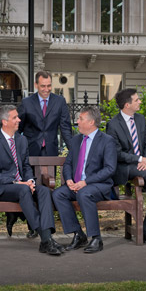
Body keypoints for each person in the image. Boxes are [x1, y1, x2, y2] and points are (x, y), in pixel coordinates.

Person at [0, 105, 64, 256]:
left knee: (45, 191)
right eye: (14, 117)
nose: (19, 120)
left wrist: (30, 181)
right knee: (24, 189)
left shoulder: (21, 140)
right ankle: (46, 239)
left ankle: (46, 239)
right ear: (4, 121)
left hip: (22, 186)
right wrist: (18, 182)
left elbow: (26, 166)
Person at [6, 70, 73, 237]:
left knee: (46, 187)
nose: (46, 89)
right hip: (30, 151)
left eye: (49, 85)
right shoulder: (27, 102)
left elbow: (65, 127)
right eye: (43, 86)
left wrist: (74, 149)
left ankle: (43, 224)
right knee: (31, 186)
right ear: (36, 85)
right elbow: (17, 128)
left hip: (50, 151)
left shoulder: (59, 101)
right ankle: (32, 227)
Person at [106, 89, 146, 244]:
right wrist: (140, 159)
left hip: (143, 164)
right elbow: (116, 154)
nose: (140, 102)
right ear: (127, 104)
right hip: (124, 167)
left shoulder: (140, 119)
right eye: (137, 100)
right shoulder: (113, 125)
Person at [52, 106, 117, 253]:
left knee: (84, 193)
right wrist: (68, 180)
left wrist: (86, 182)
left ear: (91, 122)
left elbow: (109, 169)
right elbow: (68, 163)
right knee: (58, 194)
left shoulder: (107, 141)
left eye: (81, 119)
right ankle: (78, 234)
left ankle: (96, 238)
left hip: (98, 185)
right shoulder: (76, 140)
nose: (77, 122)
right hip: (76, 184)